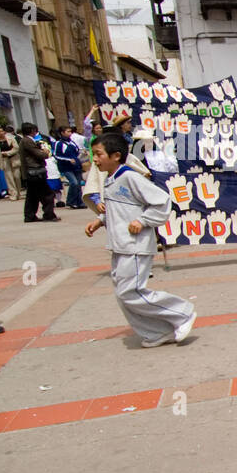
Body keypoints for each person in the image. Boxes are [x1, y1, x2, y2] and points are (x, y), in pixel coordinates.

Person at [83, 131, 196, 348]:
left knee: (131, 292)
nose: (94, 159)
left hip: (134, 245)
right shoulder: (111, 179)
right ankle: (156, 333)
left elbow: (162, 201)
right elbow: (117, 207)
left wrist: (143, 221)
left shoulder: (130, 176)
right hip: (119, 245)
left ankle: (182, 314)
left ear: (116, 155)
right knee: (123, 295)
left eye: (98, 154)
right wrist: (99, 221)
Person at [19, 123, 56, 222]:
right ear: (31, 130)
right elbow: (39, 154)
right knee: (47, 194)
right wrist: (45, 152)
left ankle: (30, 215)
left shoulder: (27, 140)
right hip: (34, 171)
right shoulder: (27, 141)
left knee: (32, 196)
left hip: (32, 172)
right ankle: (49, 214)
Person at [0, 125, 21, 200]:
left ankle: (18, 192)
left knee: (17, 176)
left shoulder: (11, 138)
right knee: (9, 178)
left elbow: (16, 148)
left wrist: (8, 153)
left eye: (1, 131)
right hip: (4, 161)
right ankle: (13, 194)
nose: (1, 133)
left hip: (14, 159)